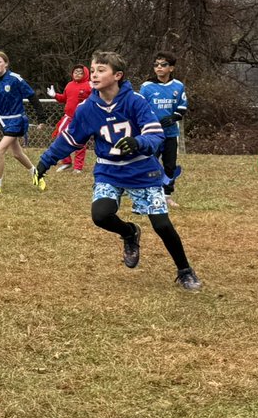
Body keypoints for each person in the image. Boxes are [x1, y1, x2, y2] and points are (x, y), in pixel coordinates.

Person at [32, 51, 203, 292]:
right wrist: (44, 162)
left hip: (142, 170)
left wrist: (138, 142)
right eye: (93, 70)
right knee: (100, 215)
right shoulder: (87, 108)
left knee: (162, 225)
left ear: (117, 75)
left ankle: (185, 270)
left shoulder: (135, 101)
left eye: (101, 70)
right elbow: (70, 139)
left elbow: (156, 135)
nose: (94, 75)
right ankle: (130, 232)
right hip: (109, 170)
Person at [0, 50, 46, 194]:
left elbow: (32, 97)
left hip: (17, 120)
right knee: (17, 154)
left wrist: (41, 118)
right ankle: (36, 174)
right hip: (4, 121)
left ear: (6, 63)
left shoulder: (15, 79)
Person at [139, 52, 188, 207]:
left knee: (170, 165)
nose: (159, 67)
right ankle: (146, 193)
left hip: (170, 134)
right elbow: (140, 108)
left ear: (171, 68)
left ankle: (166, 195)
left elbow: (182, 106)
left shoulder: (178, 86)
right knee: (149, 163)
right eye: (156, 65)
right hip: (152, 135)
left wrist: (173, 117)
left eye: (163, 64)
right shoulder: (147, 87)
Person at [48, 65, 91, 173]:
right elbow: (64, 99)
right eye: (75, 72)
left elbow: (95, 100)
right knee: (61, 137)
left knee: (80, 142)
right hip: (68, 117)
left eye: (80, 72)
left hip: (82, 119)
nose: (77, 74)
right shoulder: (69, 85)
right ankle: (66, 162)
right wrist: (55, 95)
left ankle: (78, 167)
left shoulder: (89, 85)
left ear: (85, 74)